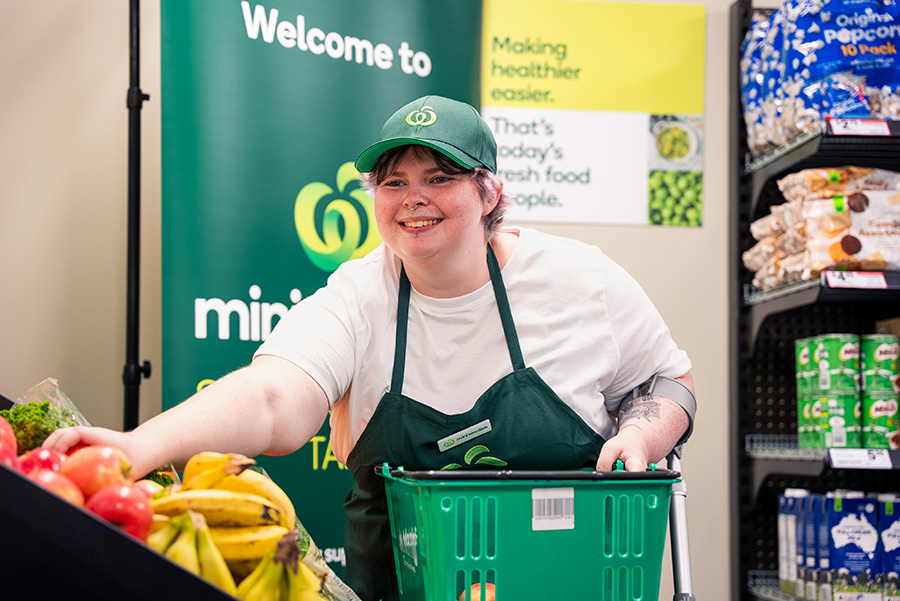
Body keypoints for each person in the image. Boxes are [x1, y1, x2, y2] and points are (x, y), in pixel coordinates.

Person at [44, 95, 696, 601]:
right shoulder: (360, 296)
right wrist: (138, 447)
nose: (413, 198)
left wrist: (642, 437)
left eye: (439, 176)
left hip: (569, 581)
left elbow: (671, 380)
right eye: (392, 181)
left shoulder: (581, 280)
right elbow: (275, 396)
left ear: (490, 190)